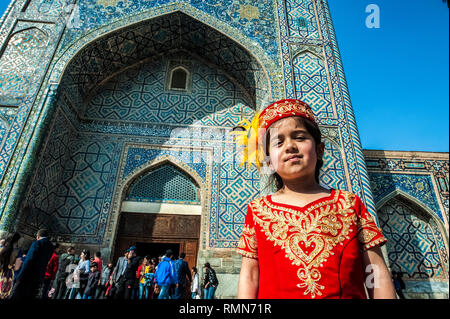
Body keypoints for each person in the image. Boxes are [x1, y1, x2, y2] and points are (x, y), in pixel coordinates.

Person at [234, 99, 396, 299]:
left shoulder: (348, 204)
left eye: (300, 137)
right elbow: (250, 275)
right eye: (278, 142)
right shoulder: (258, 210)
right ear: (268, 159)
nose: (290, 146)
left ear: (320, 150)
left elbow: (375, 271)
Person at [9, 229, 55, 299]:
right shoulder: (51, 246)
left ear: (38, 236)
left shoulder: (37, 243)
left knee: (17, 294)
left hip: (28, 275)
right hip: (39, 276)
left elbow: (29, 260)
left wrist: (20, 275)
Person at [0, 232, 21, 299]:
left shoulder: (2, 249)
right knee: (4, 294)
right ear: (17, 240)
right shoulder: (18, 251)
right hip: (8, 275)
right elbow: (17, 268)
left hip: (1, 271)